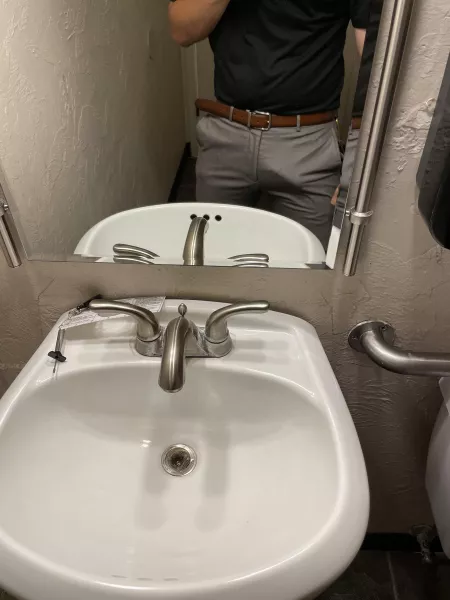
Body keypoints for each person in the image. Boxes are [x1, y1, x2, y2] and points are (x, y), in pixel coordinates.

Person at [169, 0, 371, 248]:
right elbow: (182, 32)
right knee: (215, 257)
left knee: (310, 260)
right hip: (226, 137)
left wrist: (359, 160)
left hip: (309, 146)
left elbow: (375, 59)